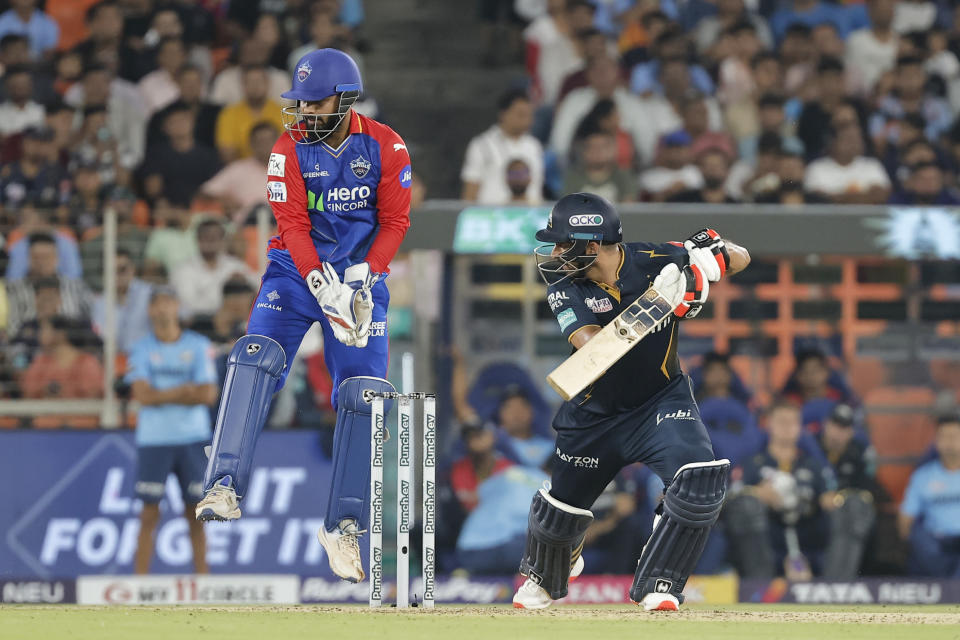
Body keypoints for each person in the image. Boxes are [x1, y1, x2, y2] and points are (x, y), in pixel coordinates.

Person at [194, 49, 412, 587]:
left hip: (360, 279)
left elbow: (396, 220)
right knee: (254, 356)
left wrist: (364, 277)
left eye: (316, 104)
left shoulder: (387, 145)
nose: (305, 113)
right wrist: (319, 282)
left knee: (366, 394)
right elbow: (291, 225)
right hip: (295, 275)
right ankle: (223, 484)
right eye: (301, 103)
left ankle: (344, 525)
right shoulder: (286, 147)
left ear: (345, 99)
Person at [513, 192, 750, 611]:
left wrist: (710, 259)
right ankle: (557, 564)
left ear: (592, 244)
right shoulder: (567, 287)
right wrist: (658, 305)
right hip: (593, 414)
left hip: (659, 401)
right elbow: (592, 352)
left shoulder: (657, 258)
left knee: (697, 481)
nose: (554, 253)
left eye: (563, 243)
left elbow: (742, 256)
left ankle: (661, 579)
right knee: (558, 522)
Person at [126, 286, 217, 574]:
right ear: (150, 310)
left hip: (192, 438)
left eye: (168, 302)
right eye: (157, 303)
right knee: (148, 513)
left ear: (177, 306)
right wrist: (184, 389)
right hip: (154, 440)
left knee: (196, 513)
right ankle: (139, 585)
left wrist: (161, 393)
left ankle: (203, 584)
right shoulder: (141, 349)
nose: (163, 309)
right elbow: (142, 396)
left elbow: (207, 395)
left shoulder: (198, 345)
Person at [724, 401, 836, 580]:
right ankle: (759, 581)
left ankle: (838, 584)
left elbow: (829, 496)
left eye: (793, 422)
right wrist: (757, 493)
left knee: (845, 511)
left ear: (800, 427)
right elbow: (731, 498)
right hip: (767, 540)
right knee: (746, 507)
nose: (787, 427)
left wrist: (826, 500)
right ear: (769, 425)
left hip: (807, 537)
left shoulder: (813, 465)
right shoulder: (753, 464)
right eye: (781, 422)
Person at [816, 402, 877, 579]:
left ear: (851, 431)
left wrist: (837, 499)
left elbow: (866, 493)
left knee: (853, 512)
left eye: (844, 427)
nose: (838, 432)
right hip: (814, 515)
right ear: (826, 425)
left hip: (846, 516)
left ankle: (839, 582)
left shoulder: (860, 454)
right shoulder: (811, 448)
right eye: (835, 425)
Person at [899, 415, 960, 578]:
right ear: (936, 441)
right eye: (944, 437)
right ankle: (944, 588)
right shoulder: (923, 476)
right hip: (935, 542)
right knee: (919, 536)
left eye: (954, 436)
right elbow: (906, 519)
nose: (949, 443)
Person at [460, 89, 543, 205]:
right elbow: (470, 192)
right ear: (503, 114)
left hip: (528, 216)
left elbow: (537, 189)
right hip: (491, 216)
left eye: (529, 115)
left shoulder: (534, 146)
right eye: (521, 115)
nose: (526, 121)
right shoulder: (481, 145)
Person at [170, 219, 258, 319]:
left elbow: (257, 288)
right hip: (199, 324)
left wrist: (242, 282)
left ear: (222, 240)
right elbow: (188, 306)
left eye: (215, 237)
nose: (211, 241)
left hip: (233, 322)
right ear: (197, 239)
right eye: (206, 237)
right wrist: (226, 304)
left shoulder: (235, 265)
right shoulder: (183, 269)